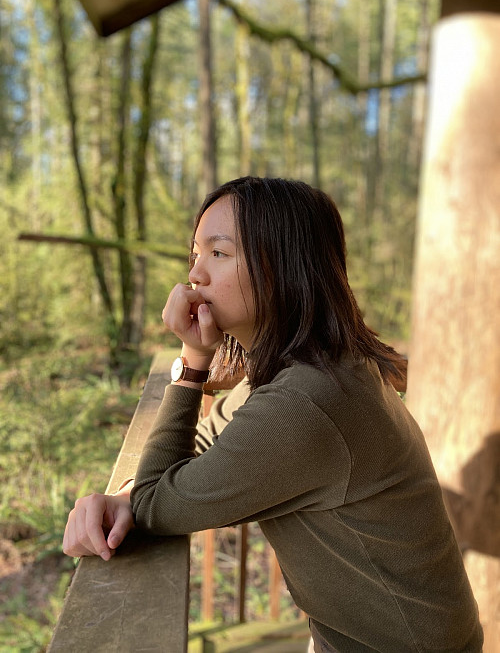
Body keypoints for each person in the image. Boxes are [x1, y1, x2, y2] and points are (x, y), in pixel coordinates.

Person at [63, 177, 483, 652]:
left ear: (282, 267)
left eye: (218, 254)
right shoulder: (309, 363)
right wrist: (125, 493)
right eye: (194, 254)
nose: (195, 274)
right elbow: (204, 442)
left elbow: (159, 503)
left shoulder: (310, 399)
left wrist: (192, 361)